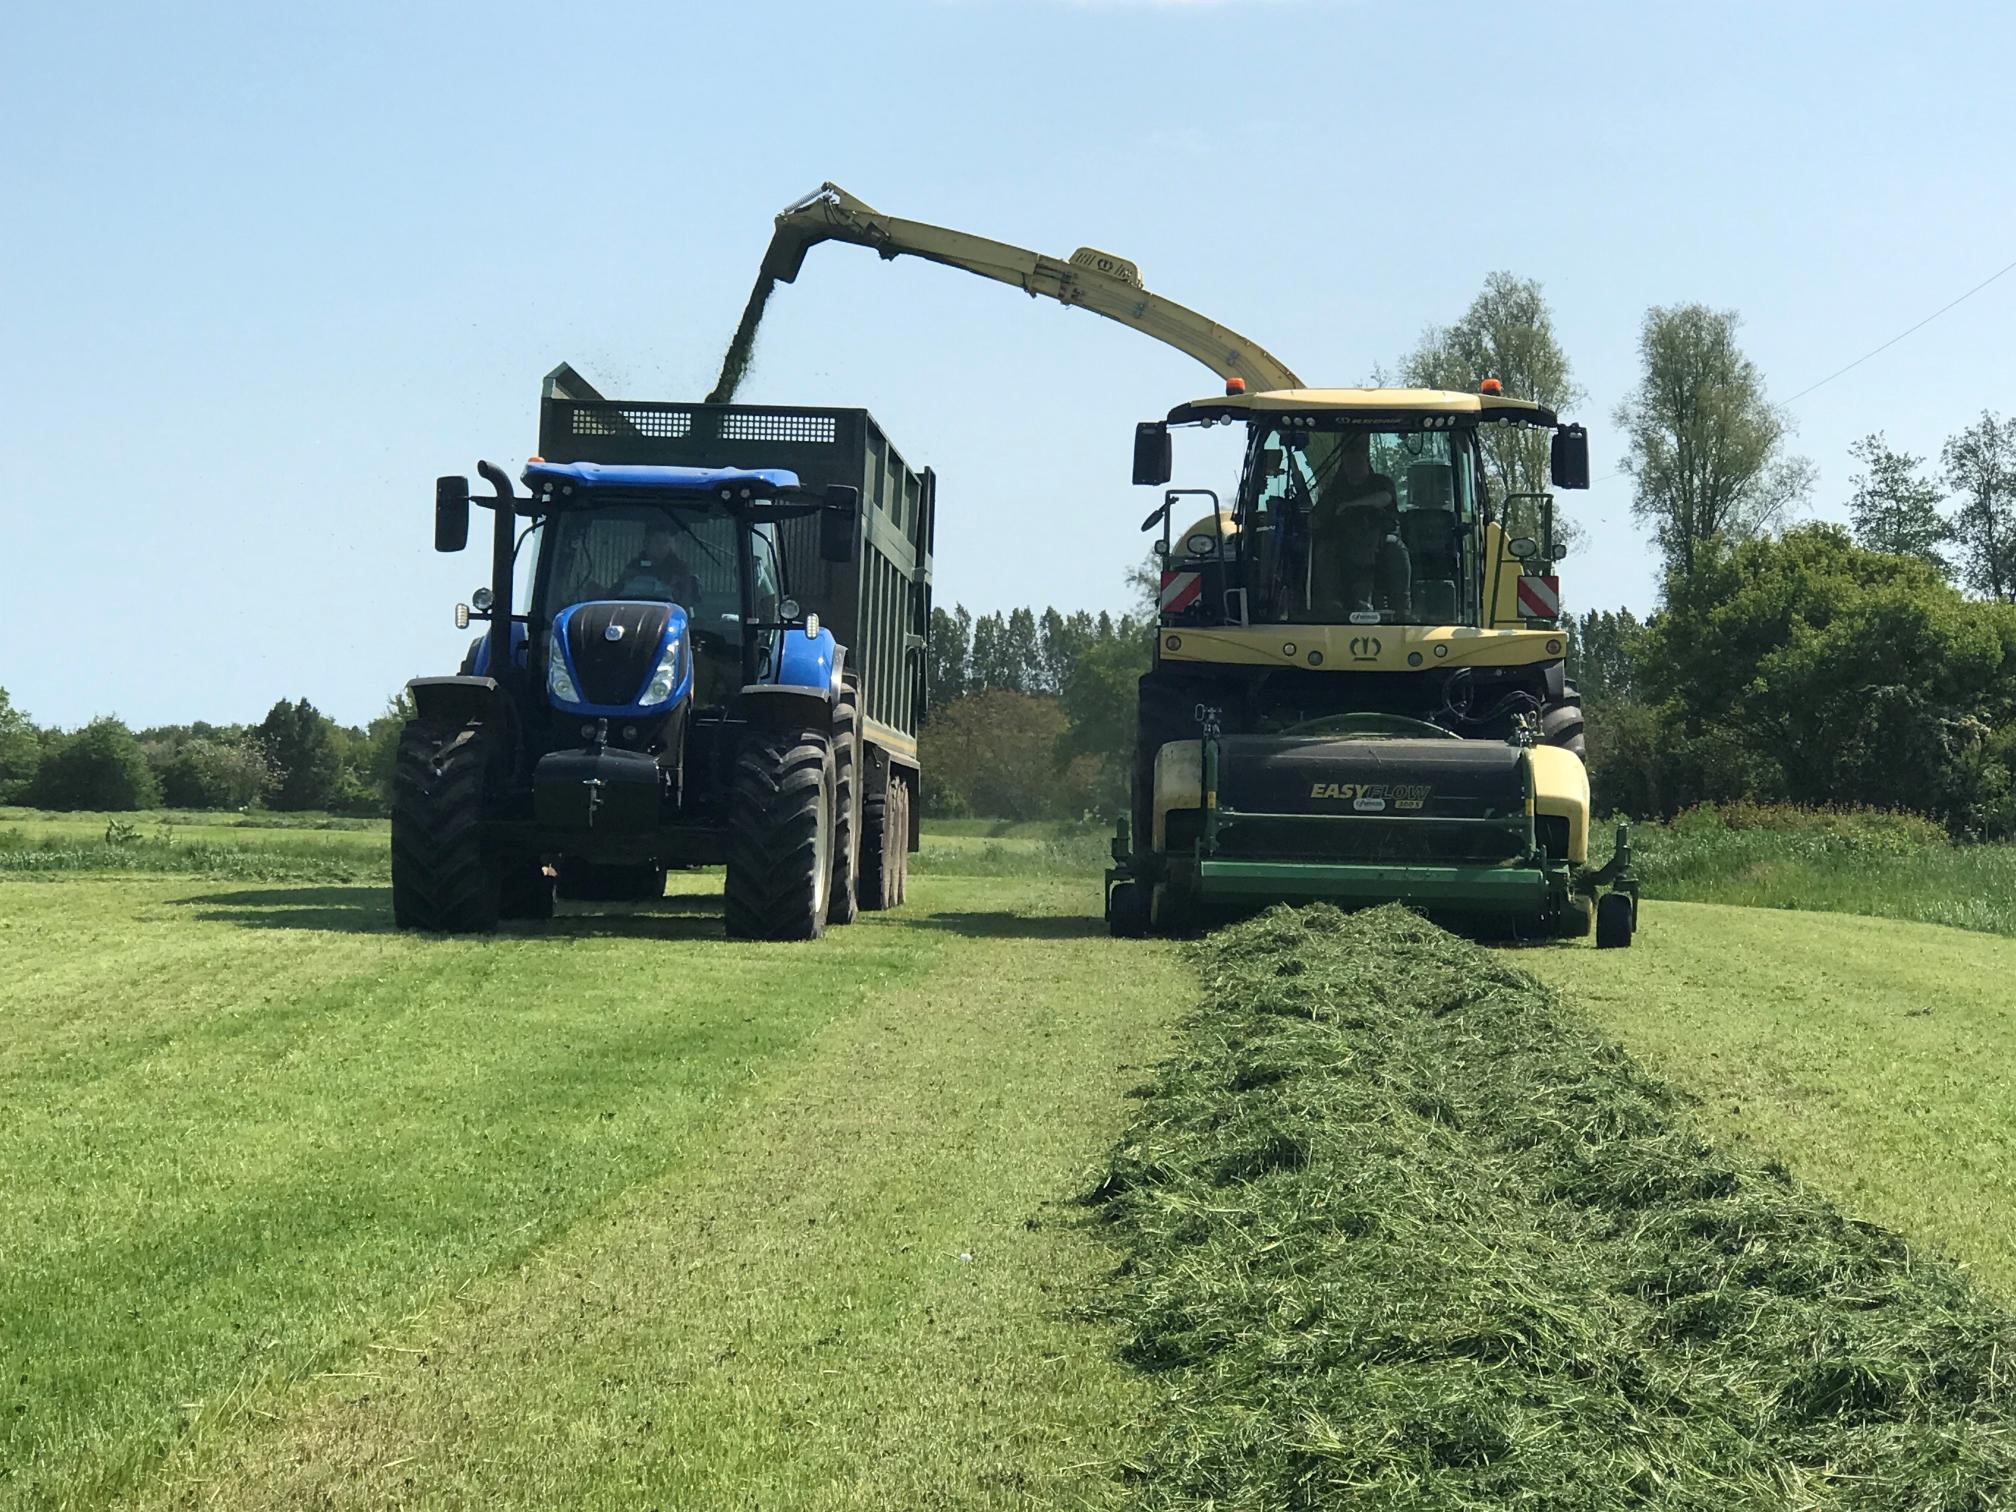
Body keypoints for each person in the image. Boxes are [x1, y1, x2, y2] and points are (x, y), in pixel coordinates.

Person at [1312, 433, 1411, 617]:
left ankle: (1402, 608)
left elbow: (1385, 498)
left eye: (1358, 456)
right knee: (1324, 549)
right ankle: (1333, 604)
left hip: (1382, 540)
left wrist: (1352, 505)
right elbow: (1316, 519)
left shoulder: (1381, 483)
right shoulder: (1335, 490)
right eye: (1348, 457)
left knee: (1397, 549)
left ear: (1366, 459)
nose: (1353, 462)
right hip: (1343, 544)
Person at [612, 522, 699, 605]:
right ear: (646, 543)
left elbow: (686, 600)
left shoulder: (680, 569)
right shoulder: (634, 566)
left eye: (665, 542)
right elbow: (615, 594)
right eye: (657, 542)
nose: (662, 547)